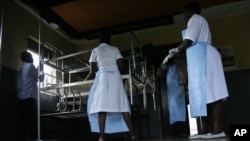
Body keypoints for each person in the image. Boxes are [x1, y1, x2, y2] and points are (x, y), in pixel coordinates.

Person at [164, 1, 229, 139]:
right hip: (199, 60)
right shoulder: (198, 21)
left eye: (184, 14)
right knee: (203, 95)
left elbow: (189, 40)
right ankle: (204, 130)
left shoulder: (195, 19)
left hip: (206, 58)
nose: (183, 17)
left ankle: (218, 129)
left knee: (214, 93)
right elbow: (191, 43)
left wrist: (176, 49)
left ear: (188, 12)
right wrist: (177, 53)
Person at [85, 30, 136, 141]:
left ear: (99, 40)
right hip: (115, 78)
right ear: (109, 39)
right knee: (123, 106)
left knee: (102, 107)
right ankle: (132, 134)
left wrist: (97, 70)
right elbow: (121, 65)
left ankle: (102, 136)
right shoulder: (115, 49)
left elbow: (92, 70)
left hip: (103, 78)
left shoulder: (95, 50)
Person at [18, 51, 38, 141]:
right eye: (31, 56)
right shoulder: (30, 66)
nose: (33, 58)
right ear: (27, 58)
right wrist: (41, 66)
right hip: (29, 97)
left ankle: (25, 138)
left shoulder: (22, 67)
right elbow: (38, 76)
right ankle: (33, 139)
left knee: (24, 122)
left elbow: (34, 77)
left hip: (21, 98)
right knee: (32, 121)